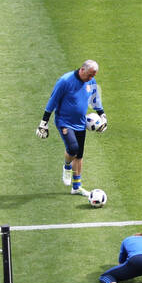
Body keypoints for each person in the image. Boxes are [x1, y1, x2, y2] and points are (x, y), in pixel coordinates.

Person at [36, 60, 105, 196]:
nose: (91, 78)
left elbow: (95, 100)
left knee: (79, 155)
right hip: (64, 122)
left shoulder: (91, 82)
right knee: (73, 149)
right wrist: (44, 121)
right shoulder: (65, 81)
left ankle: (76, 187)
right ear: (82, 70)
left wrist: (103, 116)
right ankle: (67, 166)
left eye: (94, 75)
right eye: (90, 75)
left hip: (80, 123)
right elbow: (53, 100)